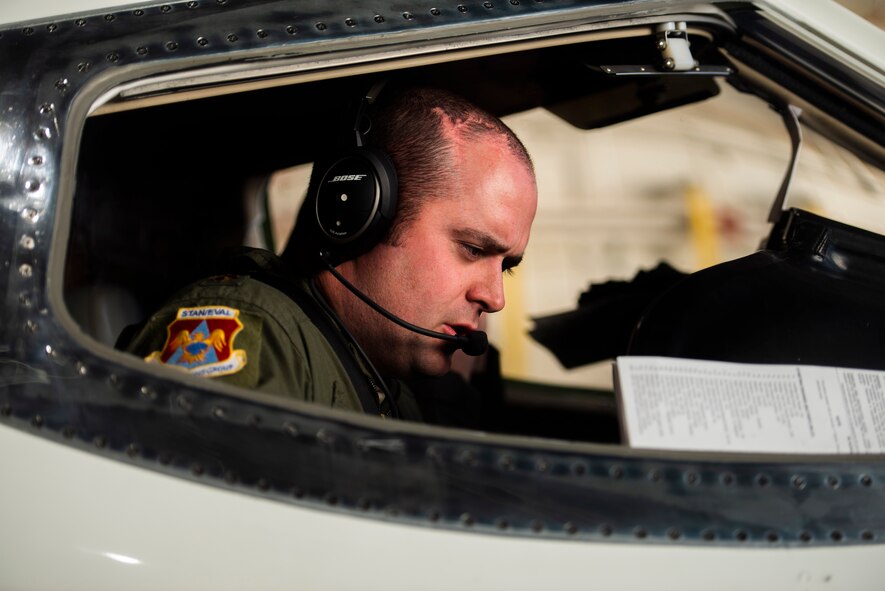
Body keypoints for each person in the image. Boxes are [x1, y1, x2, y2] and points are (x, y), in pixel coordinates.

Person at [125, 86, 537, 420]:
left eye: (507, 267)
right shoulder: (252, 342)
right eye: (472, 248)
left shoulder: (385, 384)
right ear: (363, 213)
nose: (495, 298)